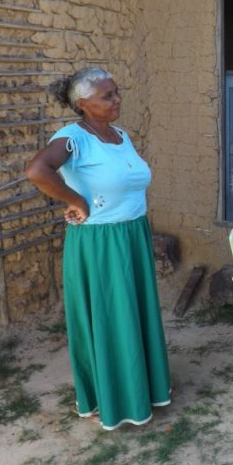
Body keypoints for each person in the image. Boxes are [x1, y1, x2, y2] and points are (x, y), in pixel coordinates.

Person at [26, 67, 172, 430]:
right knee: (110, 318)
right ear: (83, 104)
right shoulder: (73, 137)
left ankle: (142, 389)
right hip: (100, 242)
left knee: (132, 316)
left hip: (132, 235)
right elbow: (37, 170)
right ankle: (111, 398)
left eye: (116, 92)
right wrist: (75, 200)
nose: (117, 99)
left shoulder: (119, 135)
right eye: (107, 96)